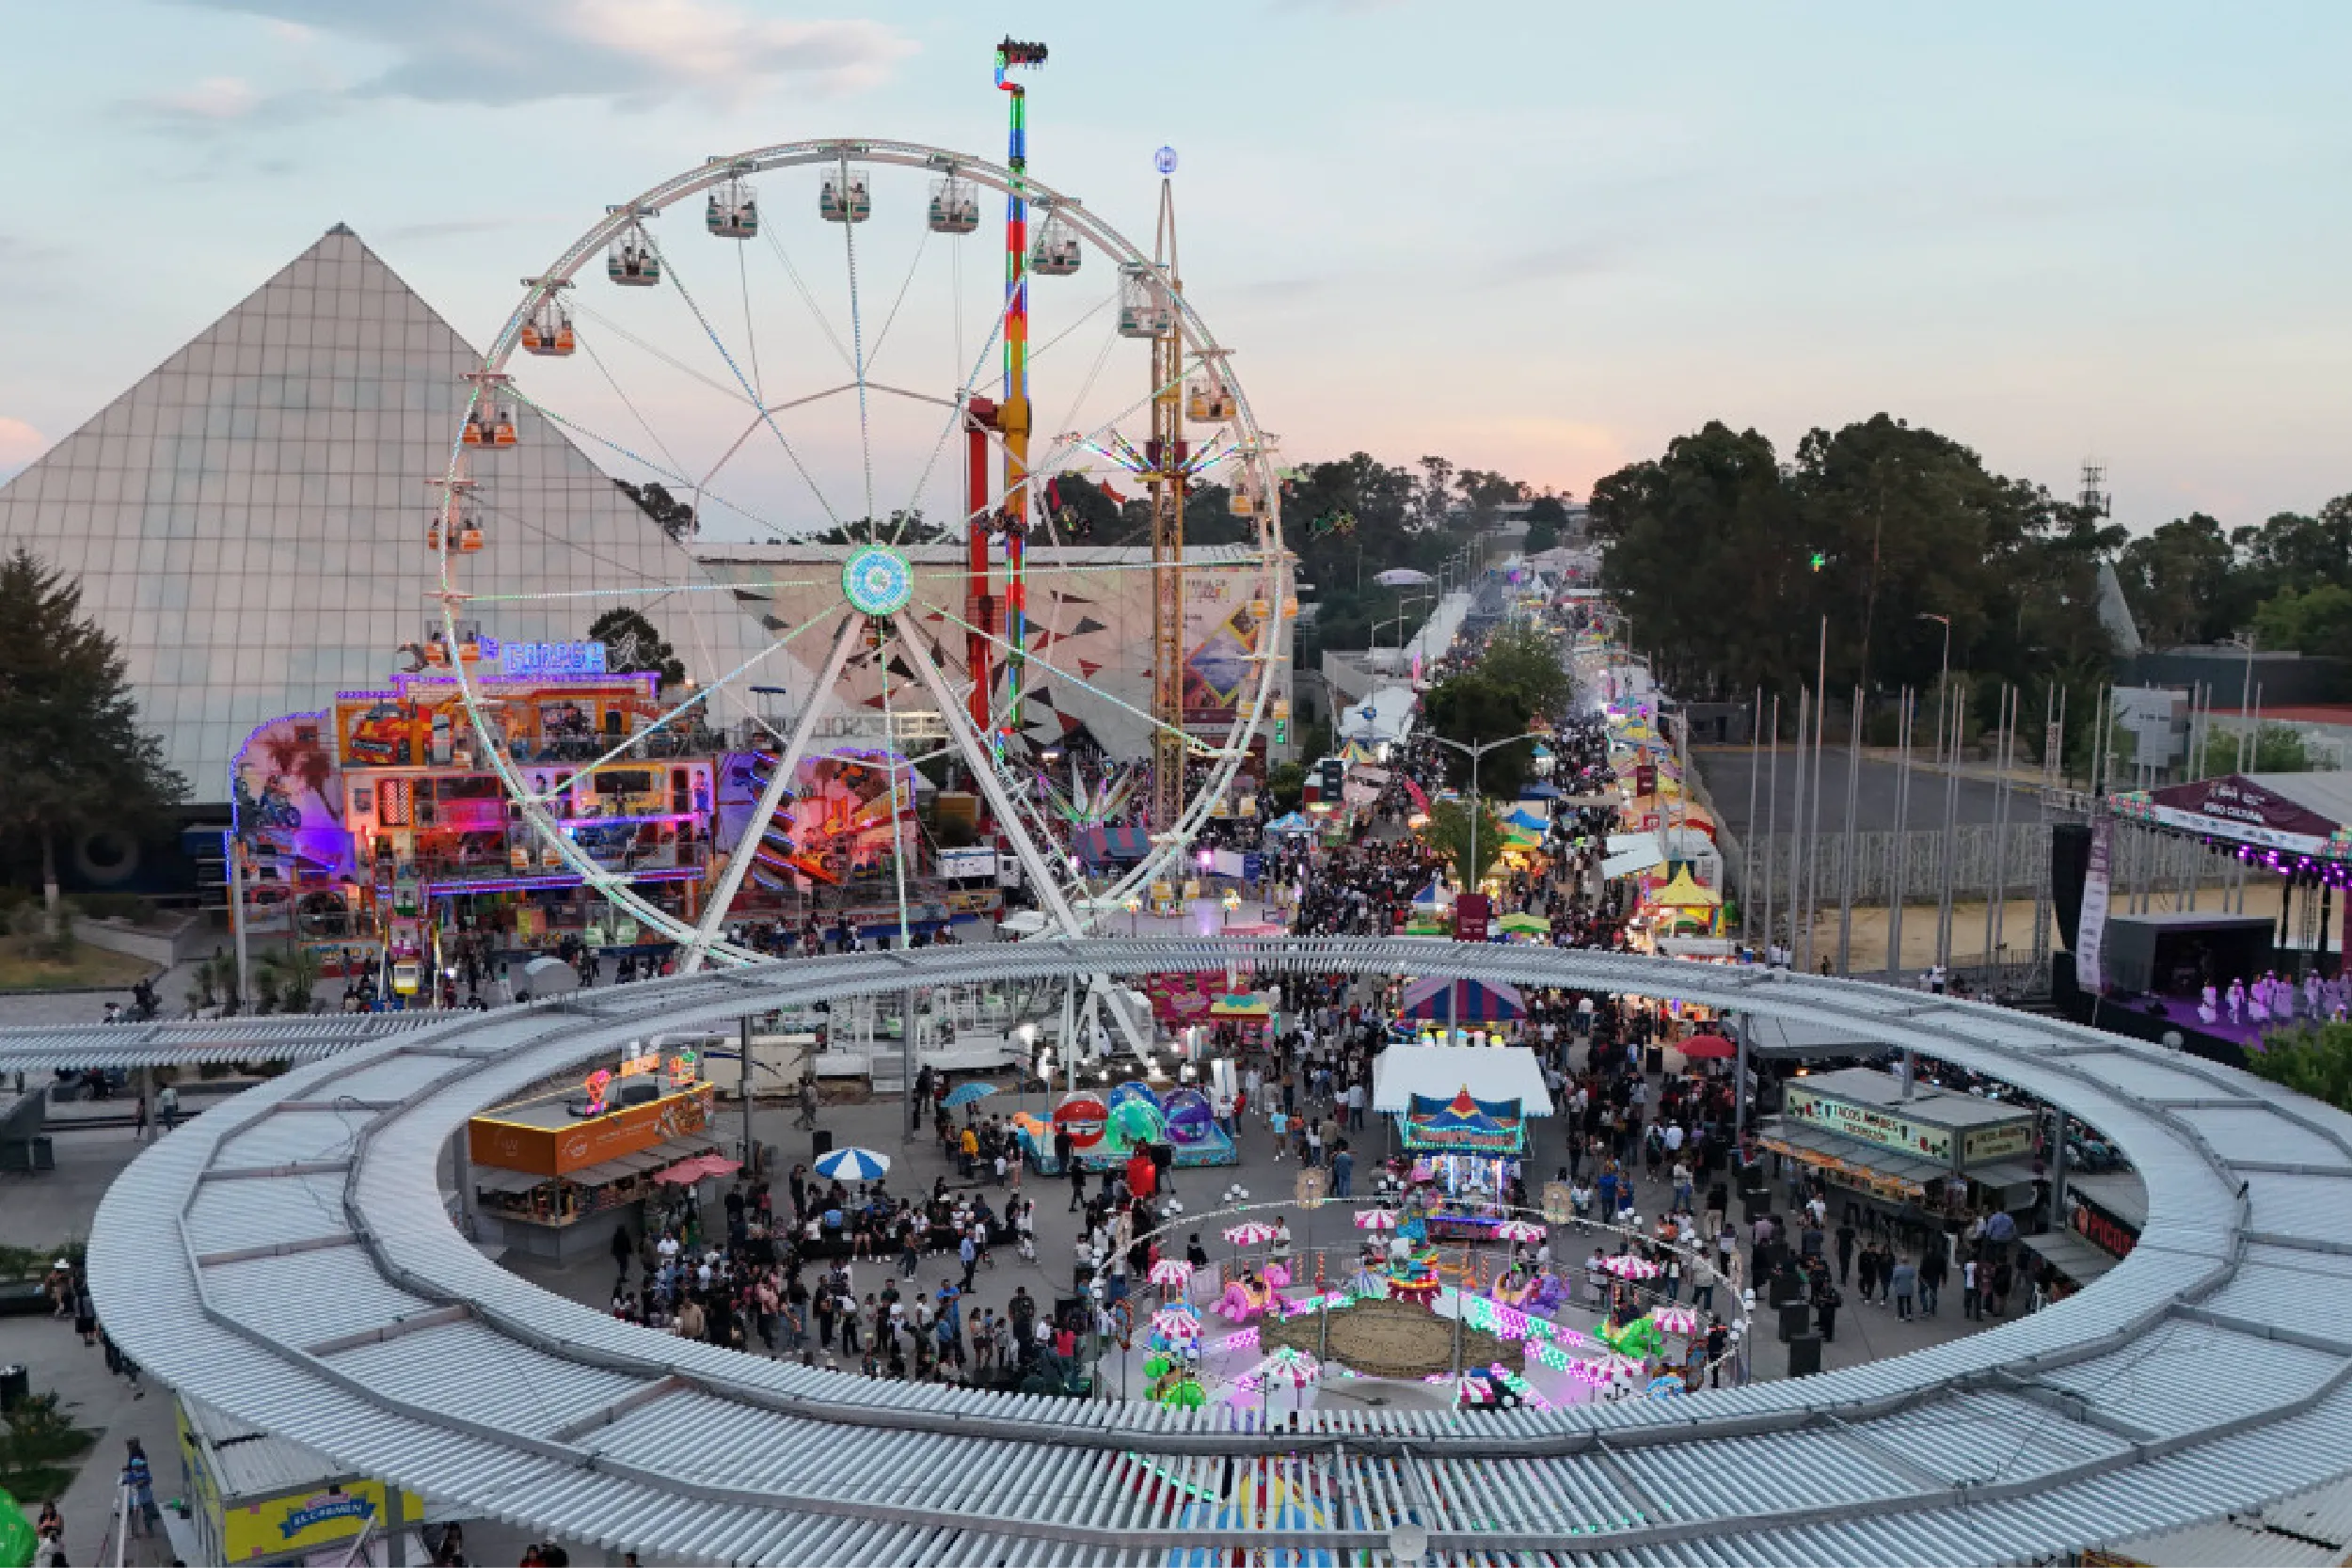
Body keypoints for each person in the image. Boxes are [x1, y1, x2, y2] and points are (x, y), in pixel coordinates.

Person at [1889, 1254, 1917, 1321]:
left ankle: (1901, 1316)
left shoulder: (1897, 1269)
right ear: (1907, 1261)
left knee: (1900, 1302)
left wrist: (1894, 1285)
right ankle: (1909, 1315)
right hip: (1908, 1287)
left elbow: (1894, 1278)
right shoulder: (1911, 1268)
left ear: (1901, 1261)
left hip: (1900, 1288)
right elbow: (1912, 1276)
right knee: (1908, 1302)